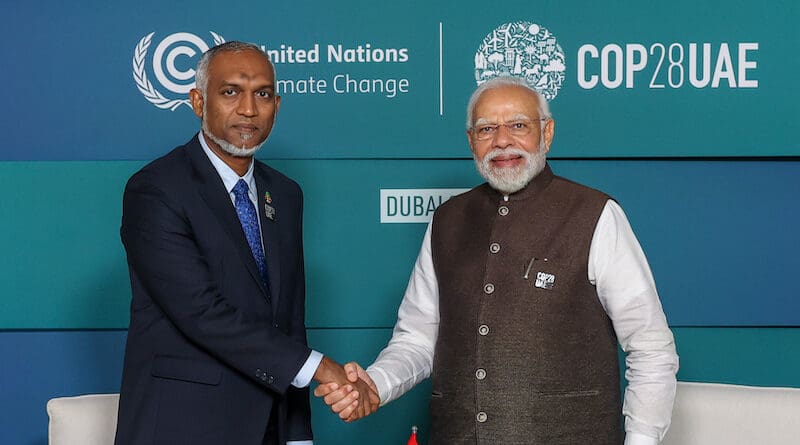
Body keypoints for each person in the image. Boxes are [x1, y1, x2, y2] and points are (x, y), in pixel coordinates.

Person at [316, 76, 679, 444]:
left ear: (547, 133)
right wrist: (376, 383)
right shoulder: (447, 220)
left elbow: (650, 348)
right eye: (487, 128)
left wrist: (641, 439)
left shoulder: (595, 215)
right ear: (471, 141)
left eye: (518, 125)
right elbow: (418, 339)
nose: (502, 141)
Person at [114, 41, 376, 445]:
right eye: (231, 91)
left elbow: (287, 320)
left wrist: (297, 433)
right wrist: (324, 369)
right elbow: (201, 313)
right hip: (181, 426)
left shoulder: (285, 194)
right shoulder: (156, 190)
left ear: (278, 105)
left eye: (263, 94)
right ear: (198, 101)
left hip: (269, 428)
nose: (249, 109)